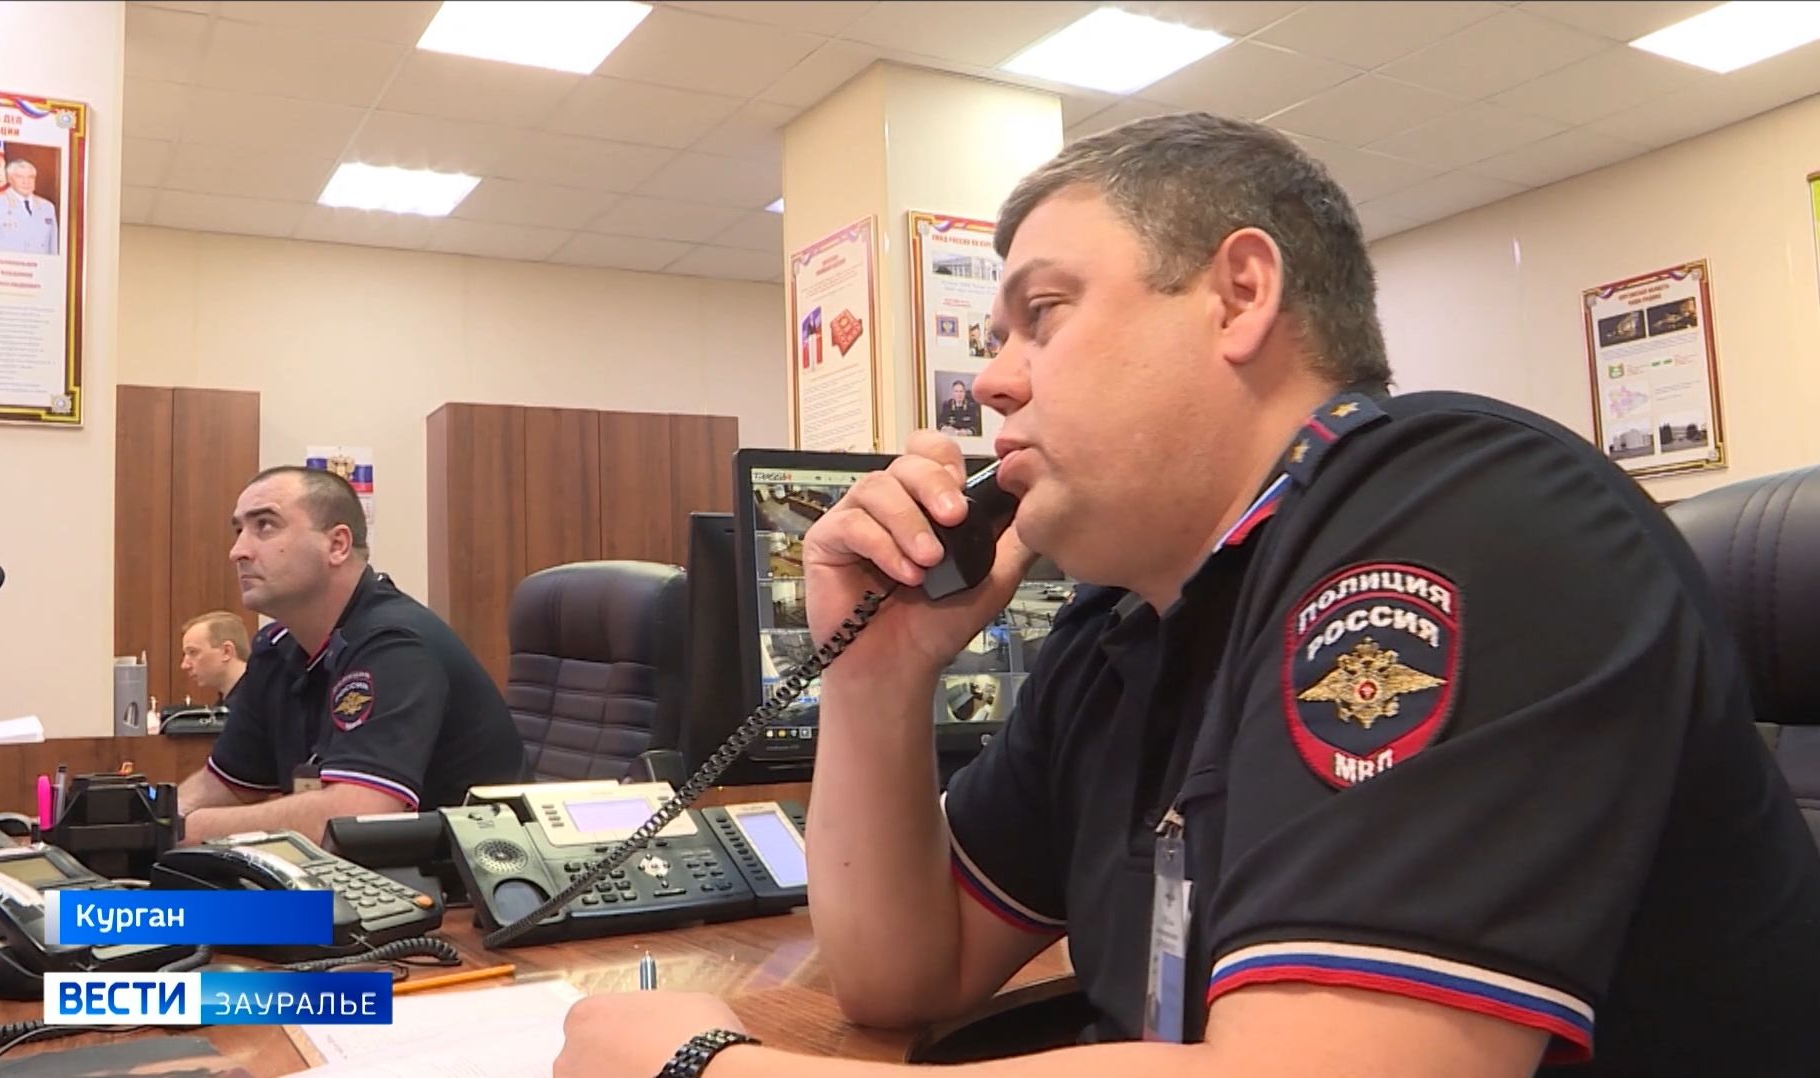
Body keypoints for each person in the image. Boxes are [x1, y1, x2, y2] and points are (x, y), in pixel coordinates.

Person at [554, 113, 1820, 1078]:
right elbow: (905, 976)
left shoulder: (1470, 509)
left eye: (1041, 314)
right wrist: (879, 676)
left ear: (1239, 294)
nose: (989, 384)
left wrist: (705, 1067)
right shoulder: (1124, 624)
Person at [175, 465, 522, 844]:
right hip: (359, 873)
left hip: (460, 872)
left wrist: (186, 830)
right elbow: (227, 783)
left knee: (176, 883)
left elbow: (356, 819)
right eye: (238, 530)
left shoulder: (395, 644)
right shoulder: (276, 648)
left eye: (265, 526)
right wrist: (156, 819)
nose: (238, 551)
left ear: (337, 545)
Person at [0, 159, 58, 255]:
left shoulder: (47, 207)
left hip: (39, 264)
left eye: (30, 177)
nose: (26, 182)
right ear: (9, 179)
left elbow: (53, 251)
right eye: (19, 177)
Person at [178, 610, 251, 706]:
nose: (184, 665)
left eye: (193, 652)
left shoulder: (260, 701)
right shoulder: (230, 702)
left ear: (226, 651)